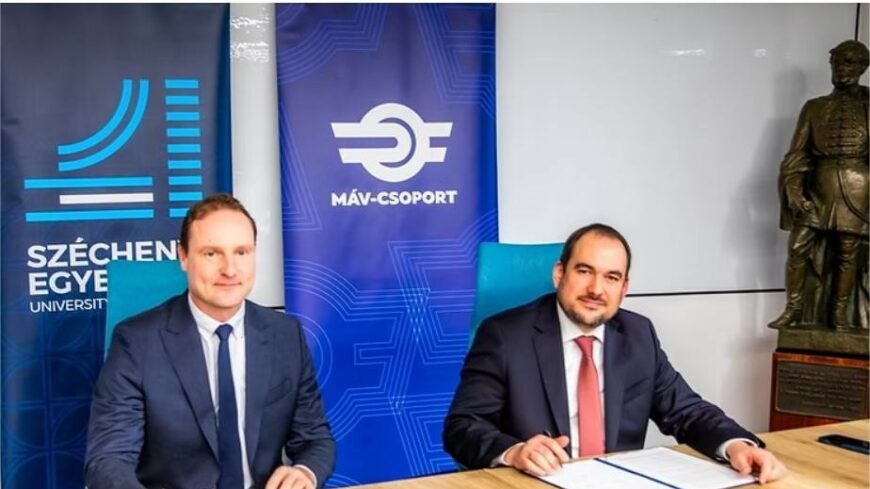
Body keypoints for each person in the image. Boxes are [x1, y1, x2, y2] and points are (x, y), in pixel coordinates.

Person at [443, 224, 787, 483]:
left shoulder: (638, 335)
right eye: (584, 271)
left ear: (624, 288)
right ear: (559, 274)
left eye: (611, 277)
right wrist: (515, 451)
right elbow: (462, 426)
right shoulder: (505, 335)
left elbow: (687, 411)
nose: (596, 289)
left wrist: (737, 445)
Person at [86, 194, 335, 489]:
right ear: (183, 257)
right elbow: (108, 459)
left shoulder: (285, 334)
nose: (230, 269)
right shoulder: (136, 343)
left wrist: (305, 470)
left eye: (241, 252)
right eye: (211, 253)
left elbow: (315, 438)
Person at [769, 39, 869, 331]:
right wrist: (794, 192)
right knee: (798, 247)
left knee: (847, 252)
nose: (842, 69)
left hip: (857, 191)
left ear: (863, 67)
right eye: (837, 62)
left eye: (849, 63)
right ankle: (794, 309)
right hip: (819, 189)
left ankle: (838, 314)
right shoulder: (814, 108)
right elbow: (797, 155)